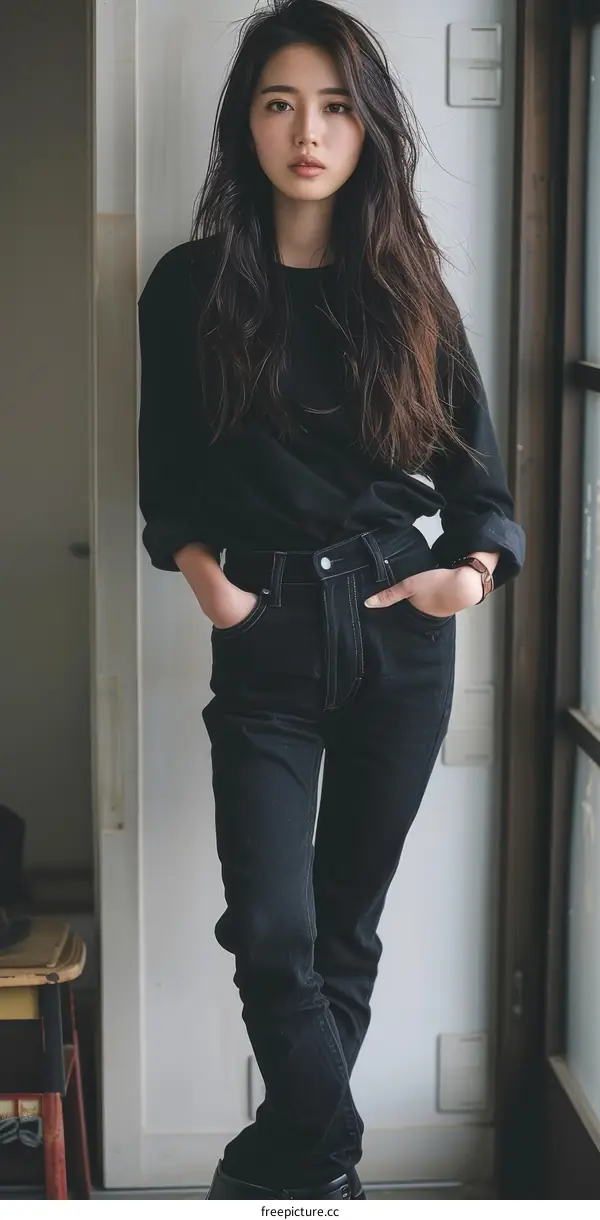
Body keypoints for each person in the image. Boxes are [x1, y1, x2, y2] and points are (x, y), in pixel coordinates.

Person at [137, 0, 526, 1202]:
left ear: (368, 130)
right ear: (244, 124)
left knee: (345, 927)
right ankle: (330, 1155)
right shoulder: (190, 286)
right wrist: (214, 587)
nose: (308, 132)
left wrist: (469, 575)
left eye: (336, 107)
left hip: (400, 630)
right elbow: (168, 477)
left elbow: (482, 486)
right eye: (280, 104)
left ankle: (286, 1174)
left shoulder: (408, 291)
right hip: (264, 634)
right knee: (274, 928)